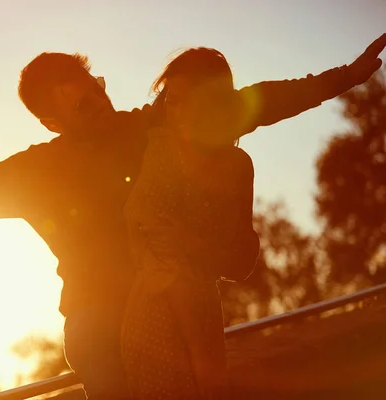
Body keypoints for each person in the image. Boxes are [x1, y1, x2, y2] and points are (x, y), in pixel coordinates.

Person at [0, 34, 385, 400]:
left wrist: (349, 78)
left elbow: (239, 105)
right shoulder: (34, 172)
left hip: (175, 303)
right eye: (80, 99)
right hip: (101, 324)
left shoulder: (145, 125)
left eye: (96, 85)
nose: (99, 98)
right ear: (51, 119)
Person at [122, 48, 259, 400]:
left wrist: (193, 246)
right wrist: (202, 360)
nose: (175, 112)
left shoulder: (238, 166)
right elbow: (165, 264)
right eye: (171, 101)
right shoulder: (161, 155)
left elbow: (242, 262)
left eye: (189, 101)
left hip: (205, 315)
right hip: (158, 319)